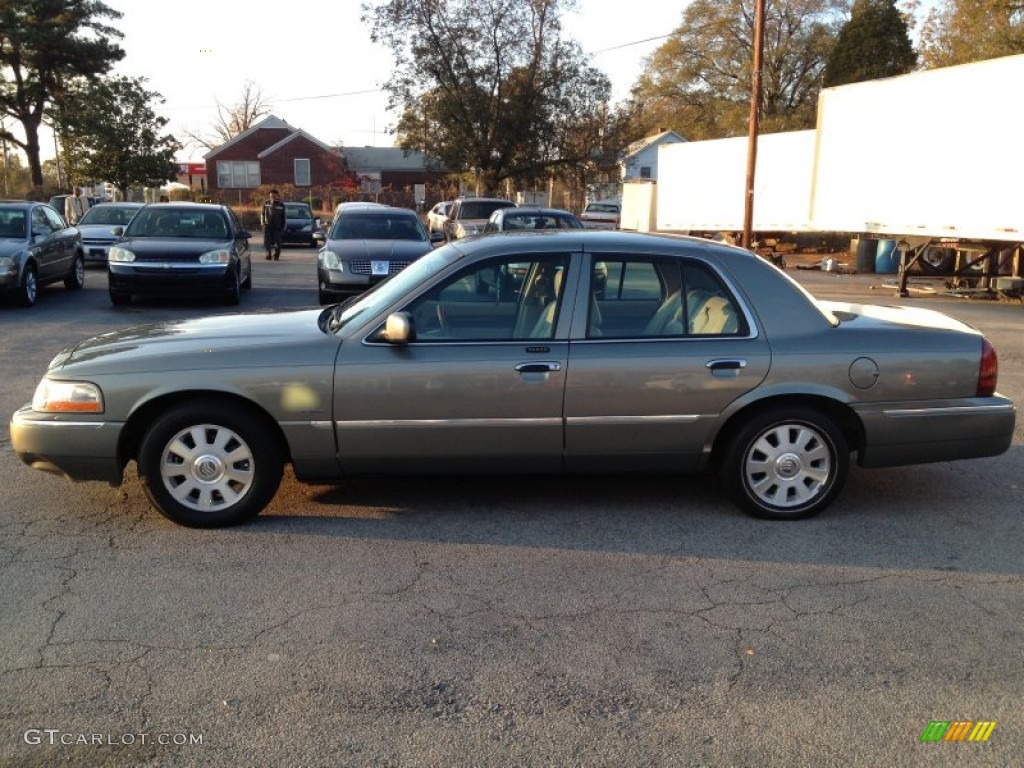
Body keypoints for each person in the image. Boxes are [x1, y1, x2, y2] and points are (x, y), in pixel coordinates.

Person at [261, 189, 286, 260]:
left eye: (274, 196)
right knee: (267, 241)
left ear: (277, 195)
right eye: (271, 196)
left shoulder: (281, 205)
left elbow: (284, 217)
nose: (272, 197)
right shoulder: (266, 203)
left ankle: (276, 256)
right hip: (267, 225)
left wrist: (283, 226)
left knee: (278, 242)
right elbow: (262, 214)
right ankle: (268, 254)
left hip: (277, 226)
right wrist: (263, 223)